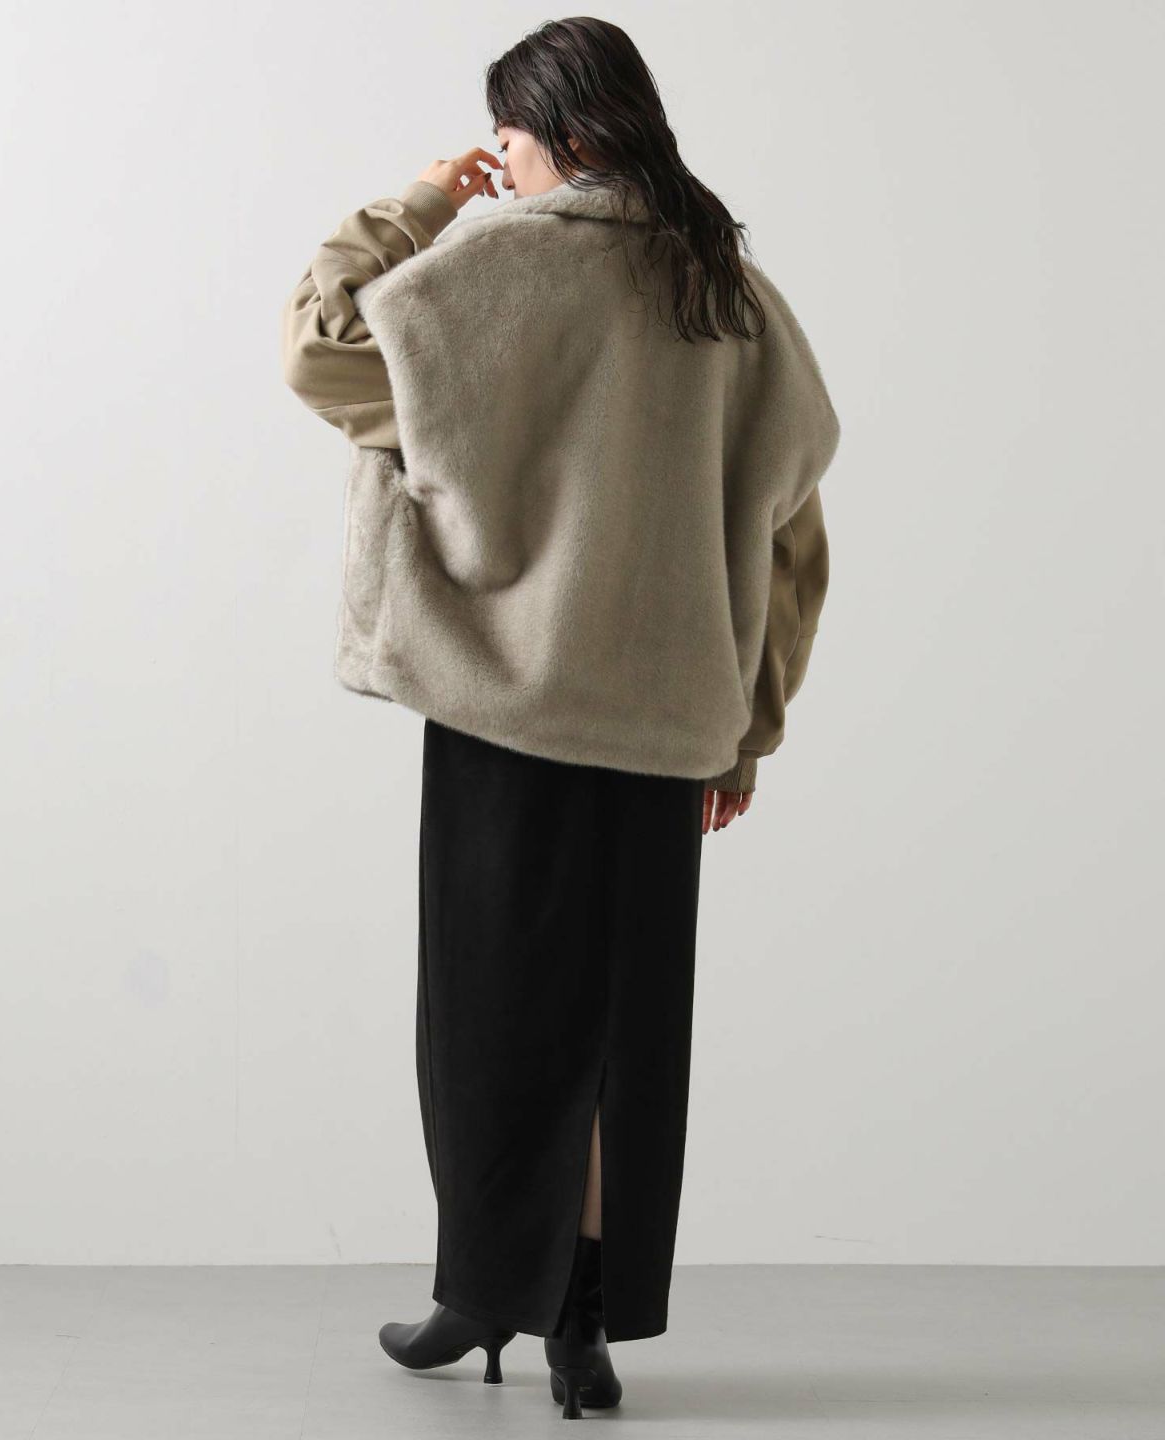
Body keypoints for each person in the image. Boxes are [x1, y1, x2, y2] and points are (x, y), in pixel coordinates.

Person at [280, 16, 839, 1421]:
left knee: (491, 1025)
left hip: (503, 716)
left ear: (566, 134)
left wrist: (421, 200)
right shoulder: (727, 289)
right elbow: (790, 529)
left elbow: (319, 349)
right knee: (619, 1038)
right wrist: (751, 727)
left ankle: (484, 1294)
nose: (503, 168)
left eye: (511, 141)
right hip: (664, 730)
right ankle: (580, 1330)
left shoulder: (488, 266)